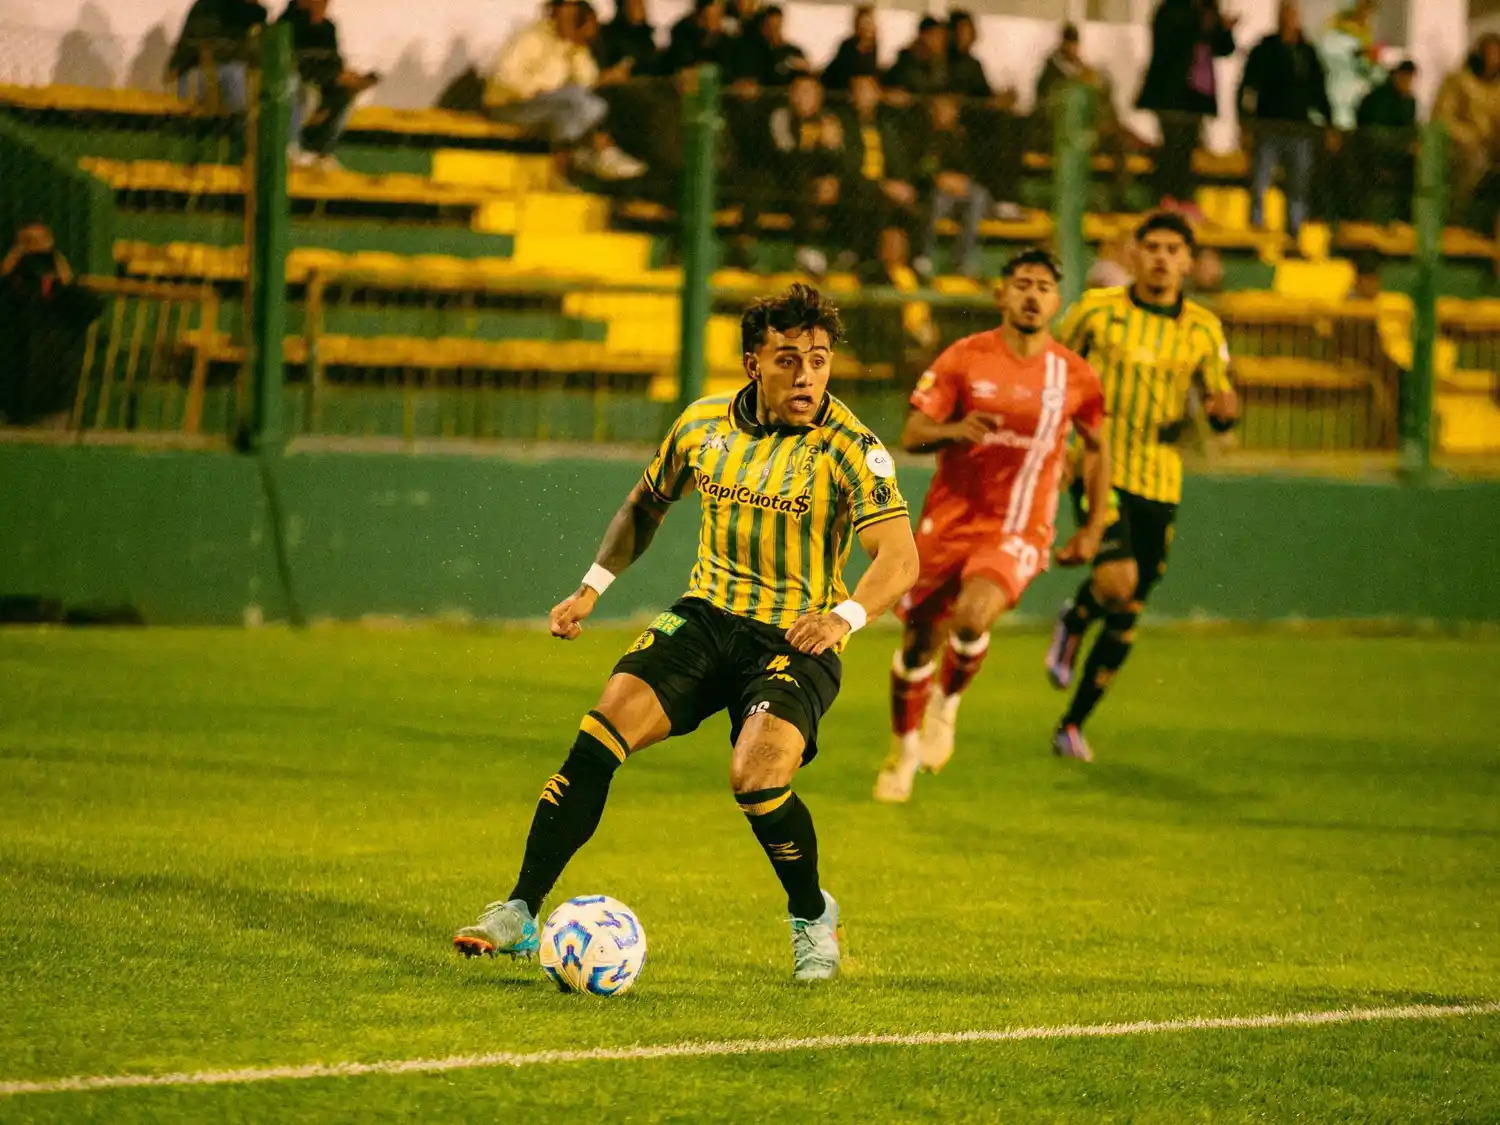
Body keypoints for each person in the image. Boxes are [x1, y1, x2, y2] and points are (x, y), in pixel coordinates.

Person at [452, 284, 920, 982]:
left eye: (819, 361)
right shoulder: (702, 425)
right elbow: (647, 501)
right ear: (751, 362)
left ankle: (810, 912)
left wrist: (843, 617)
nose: (807, 376)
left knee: (757, 778)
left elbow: (900, 557)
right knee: (599, 731)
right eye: (788, 359)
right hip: (705, 617)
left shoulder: (851, 447)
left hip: (795, 638)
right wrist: (591, 588)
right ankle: (520, 909)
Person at [875, 250, 1109, 802]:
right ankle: (903, 750)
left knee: (973, 614)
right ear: (1001, 294)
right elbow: (911, 432)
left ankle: (947, 706)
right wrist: (955, 429)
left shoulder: (1074, 375)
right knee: (916, 646)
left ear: (1056, 300)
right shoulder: (964, 357)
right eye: (1021, 284)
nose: (1032, 295)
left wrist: (1094, 524)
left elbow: (1098, 448)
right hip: (950, 518)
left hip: (1019, 525)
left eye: (1044, 287)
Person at [1044, 212, 1238, 762]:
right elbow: (1053, 371)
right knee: (1115, 580)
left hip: (1161, 474)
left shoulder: (1203, 328)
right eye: (1151, 246)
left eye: (1172, 249)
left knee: (1129, 608)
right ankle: (1079, 617)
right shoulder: (1097, 311)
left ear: (1188, 261)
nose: (1160, 257)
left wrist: (1225, 412)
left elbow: (1220, 401)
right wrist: (1058, 448)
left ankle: (1072, 723)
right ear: (1133, 254)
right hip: (1098, 461)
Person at [485, 0, 645, 182]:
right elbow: (505, 78)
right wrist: (545, 88)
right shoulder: (532, 38)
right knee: (578, 101)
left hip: (551, 107)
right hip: (509, 106)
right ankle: (597, 152)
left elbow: (587, 80)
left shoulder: (573, 45)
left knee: (588, 107)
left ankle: (570, 168)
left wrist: (602, 74)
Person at [1239, 1, 1333, 241]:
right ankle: (1256, 225)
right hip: (1268, 126)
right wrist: (1246, 122)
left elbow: (1318, 90)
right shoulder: (1265, 49)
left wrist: (1329, 122)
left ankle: (1295, 229)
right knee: (1261, 180)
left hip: (1299, 128)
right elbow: (1248, 87)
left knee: (1298, 185)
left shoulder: (1306, 53)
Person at [0, 222, 103, 428]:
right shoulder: (9, 292)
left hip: (51, 396)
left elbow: (91, 308)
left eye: (39, 243)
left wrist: (66, 284)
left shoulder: (61, 295)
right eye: (26, 243)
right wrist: (5, 275)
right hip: (6, 395)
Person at [1136, 0, 1238, 207]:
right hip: (1171, 95)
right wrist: (1201, 24)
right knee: (1173, 146)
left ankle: (1182, 197)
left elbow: (1224, 49)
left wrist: (1226, 30)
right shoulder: (1171, 9)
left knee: (1188, 148)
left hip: (1198, 96)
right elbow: (1169, 42)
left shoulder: (1208, 11)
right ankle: (1166, 195)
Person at [278, 0, 377, 169]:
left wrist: (349, 78)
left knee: (344, 95)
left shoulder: (327, 28)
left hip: (324, 83)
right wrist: (334, 75)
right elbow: (293, 65)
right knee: (302, 94)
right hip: (301, 83)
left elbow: (333, 62)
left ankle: (320, 152)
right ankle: (290, 149)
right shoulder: (288, 24)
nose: (324, 4)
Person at [913, 94, 990, 279]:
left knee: (979, 197)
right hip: (935, 191)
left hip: (962, 191)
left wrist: (963, 182)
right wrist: (938, 178)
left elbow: (975, 167)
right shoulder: (923, 137)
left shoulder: (963, 137)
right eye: (939, 109)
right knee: (937, 200)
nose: (943, 113)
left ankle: (962, 260)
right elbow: (921, 168)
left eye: (948, 109)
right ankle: (924, 255)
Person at [1434, 35, 1500, 229]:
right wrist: (1468, 136)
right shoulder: (1458, 81)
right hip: (1462, 148)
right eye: (1491, 54)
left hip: (1492, 147)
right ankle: (1457, 215)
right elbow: (1442, 118)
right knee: (1475, 162)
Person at [167, 0, 267, 112]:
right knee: (235, 74)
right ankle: (237, 124)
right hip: (196, 70)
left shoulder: (252, 13)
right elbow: (208, 47)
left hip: (215, 69)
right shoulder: (210, 6)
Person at [1354, 60, 1418, 222]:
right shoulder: (1380, 99)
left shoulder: (1409, 101)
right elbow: (1372, 131)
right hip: (1376, 158)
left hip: (1398, 159)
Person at [728, 5, 810, 89]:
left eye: (776, 26)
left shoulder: (793, 51)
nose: (773, 31)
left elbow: (806, 76)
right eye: (770, 26)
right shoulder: (756, 53)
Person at [884, 17, 950, 99]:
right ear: (925, 36)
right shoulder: (907, 63)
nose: (942, 42)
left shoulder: (940, 63)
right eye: (938, 36)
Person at [664, 0, 732, 74]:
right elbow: (685, 64)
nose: (720, 10)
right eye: (715, 5)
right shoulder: (685, 31)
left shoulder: (723, 37)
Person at [821, 6, 879, 91]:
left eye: (869, 23)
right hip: (837, 84)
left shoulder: (874, 45)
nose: (866, 27)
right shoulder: (849, 45)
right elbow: (841, 71)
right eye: (863, 24)